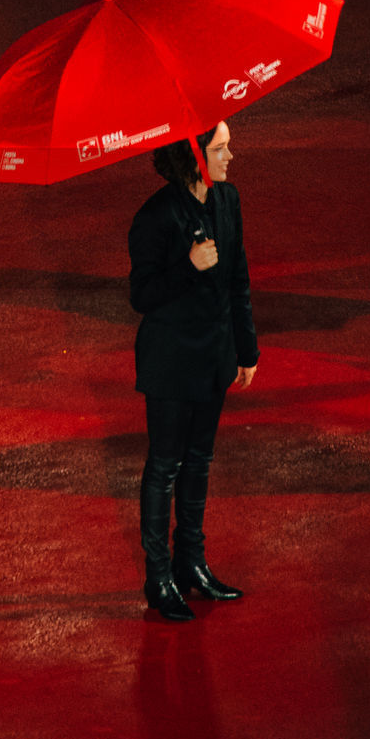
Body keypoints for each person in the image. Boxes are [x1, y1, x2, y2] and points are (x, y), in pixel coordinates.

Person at [128, 121, 259, 621]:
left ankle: (192, 565)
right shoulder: (154, 218)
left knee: (200, 460)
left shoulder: (228, 201)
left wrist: (246, 351)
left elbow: (239, 278)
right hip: (170, 363)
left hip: (214, 357)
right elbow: (142, 295)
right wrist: (188, 265)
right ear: (195, 156)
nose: (231, 155)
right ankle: (159, 578)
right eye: (221, 148)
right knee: (165, 467)